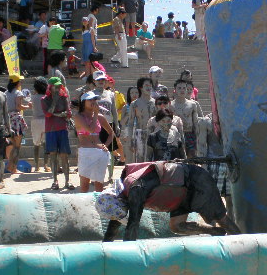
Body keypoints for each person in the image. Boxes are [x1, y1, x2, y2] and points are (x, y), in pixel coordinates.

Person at [102, 161, 241, 241]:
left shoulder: (135, 189)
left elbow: (133, 226)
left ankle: (245, 245)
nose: (122, 214)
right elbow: (114, 223)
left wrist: (127, 257)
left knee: (222, 219)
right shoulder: (120, 195)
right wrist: (104, 252)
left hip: (195, 181)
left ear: (119, 201)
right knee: (176, 226)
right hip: (178, 196)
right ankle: (214, 231)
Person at [75, 92, 114, 193]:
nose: (93, 102)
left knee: (99, 185)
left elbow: (111, 133)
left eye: (94, 100)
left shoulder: (100, 117)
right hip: (86, 152)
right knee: (84, 185)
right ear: (83, 102)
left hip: (100, 152)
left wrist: (106, 145)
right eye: (90, 100)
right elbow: (90, 129)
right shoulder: (79, 116)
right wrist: (96, 113)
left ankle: (98, 203)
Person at [197, 112, 233, 216]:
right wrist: (203, 166)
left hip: (229, 163)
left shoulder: (232, 119)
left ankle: (231, 224)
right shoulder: (205, 121)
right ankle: (212, 224)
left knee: (231, 200)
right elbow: (201, 145)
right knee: (212, 198)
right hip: (213, 164)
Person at [42, 77, 74, 190]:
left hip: (62, 128)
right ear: (50, 87)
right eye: (56, 86)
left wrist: (59, 114)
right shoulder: (44, 99)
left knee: (64, 155)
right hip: (51, 130)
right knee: (53, 155)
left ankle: (67, 180)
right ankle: (55, 180)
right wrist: (55, 103)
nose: (58, 88)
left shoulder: (64, 98)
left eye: (59, 86)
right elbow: (48, 114)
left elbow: (69, 113)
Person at [4, 75, 32, 174]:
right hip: (16, 119)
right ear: (17, 82)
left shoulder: (5, 93)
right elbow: (18, 107)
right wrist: (28, 107)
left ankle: (9, 166)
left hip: (7, 119)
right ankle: (13, 168)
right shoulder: (18, 93)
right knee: (17, 146)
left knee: (11, 144)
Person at [128, 77, 157, 162]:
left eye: (150, 85)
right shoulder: (135, 104)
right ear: (141, 87)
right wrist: (130, 139)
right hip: (140, 134)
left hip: (153, 134)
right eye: (146, 85)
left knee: (152, 159)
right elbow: (130, 123)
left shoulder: (156, 103)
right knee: (139, 160)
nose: (149, 87)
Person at [172, 79, 200, 158]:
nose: (182, 90)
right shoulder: (171, 105)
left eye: (184, 88)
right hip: (176, 135)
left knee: (192, 157)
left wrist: (197, 137)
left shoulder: (192, 104)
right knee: (178, 157)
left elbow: (195, 123)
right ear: (175, 90)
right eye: (179, 88)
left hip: (189, 134)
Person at [30, 77, 50, 172]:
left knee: (36, 144)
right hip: (46, 120)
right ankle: (46, 165)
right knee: (46, 144)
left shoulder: (33, 97)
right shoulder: (47, 97)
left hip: (35, 121)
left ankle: (36, 166)